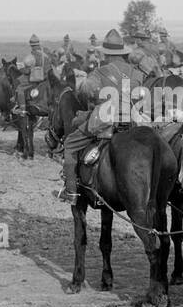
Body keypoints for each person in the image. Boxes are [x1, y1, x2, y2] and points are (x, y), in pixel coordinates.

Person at [59, 29, 148, 201]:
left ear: (106, 53)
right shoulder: (137, 74)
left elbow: (86, 94)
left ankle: (71, 191)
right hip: (132, 121)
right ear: (122, 53)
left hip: (105, 122)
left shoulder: (99, 73)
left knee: (69, 144)